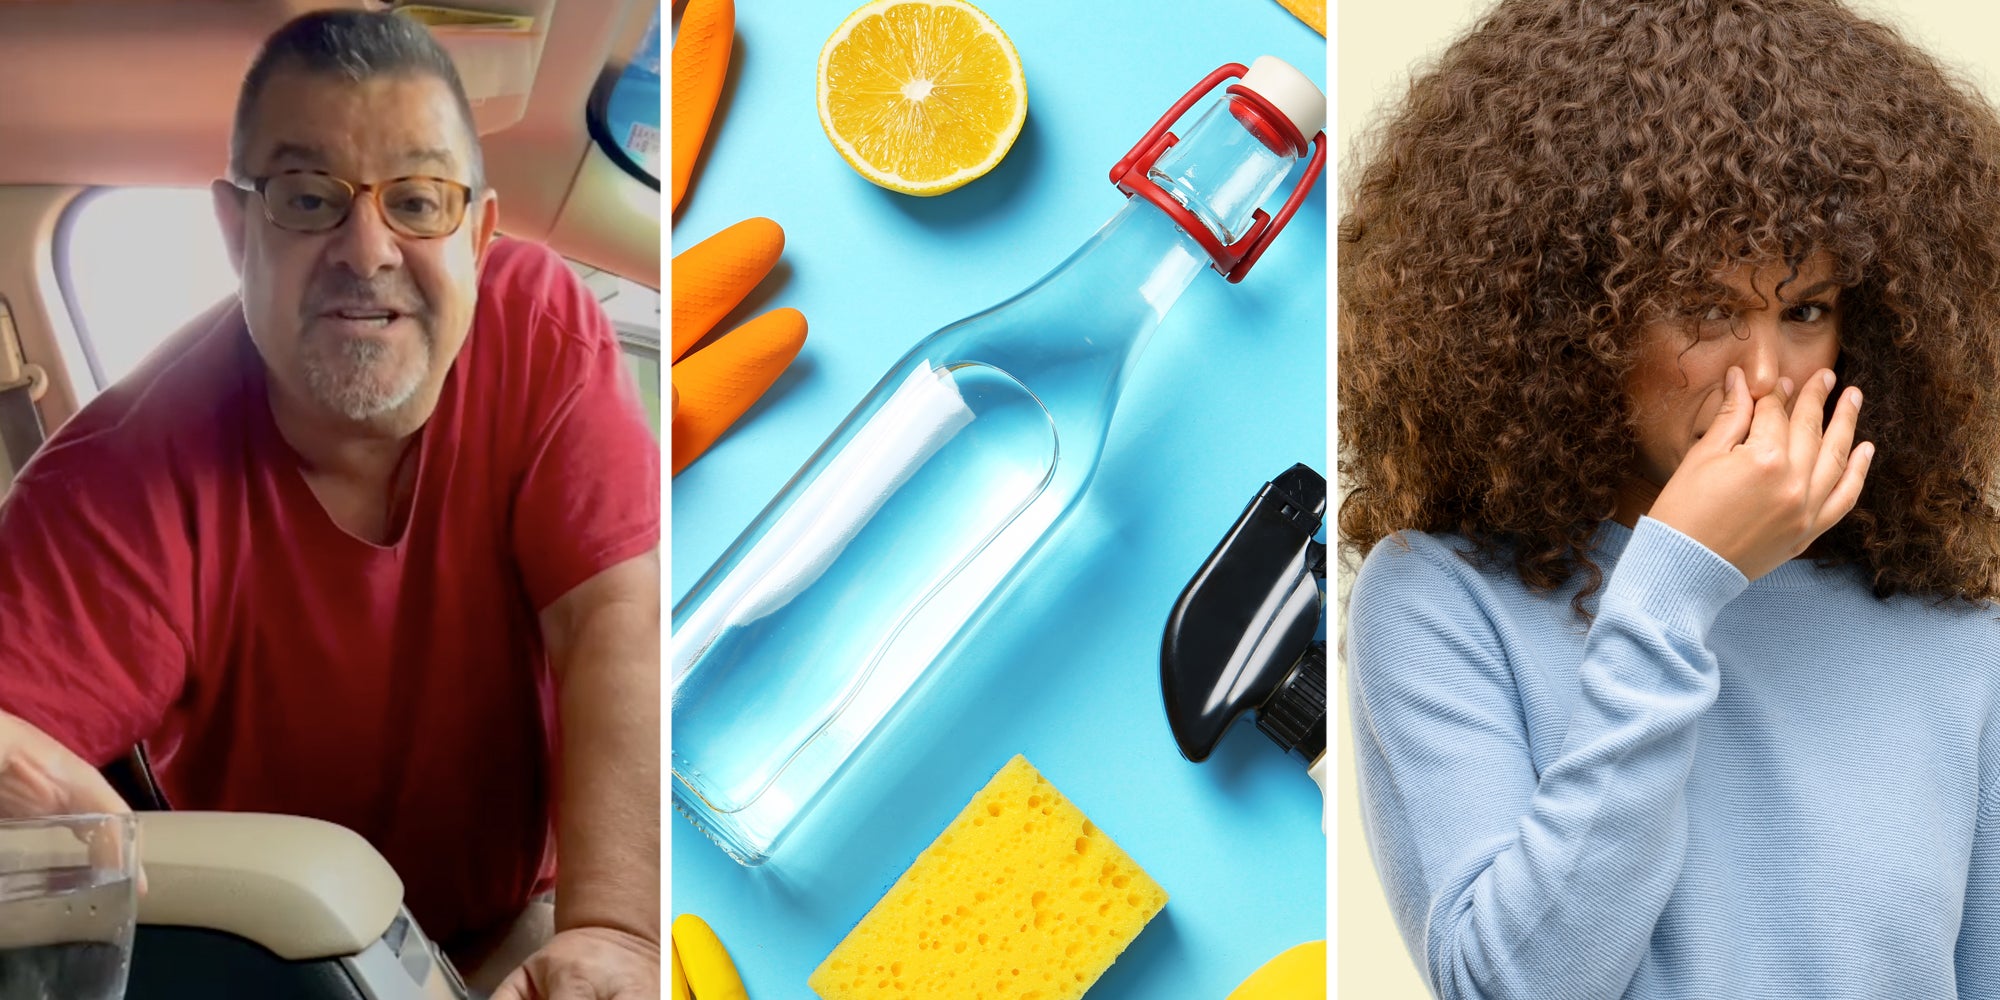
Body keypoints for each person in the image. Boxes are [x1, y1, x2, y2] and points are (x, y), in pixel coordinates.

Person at [1339, 0, 2000, 997]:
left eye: (1805, 310)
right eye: (1702, 309)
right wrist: (1674, 588)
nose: (1765, 375)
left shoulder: (1952, 628)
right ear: (1570, 319)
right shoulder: (1440, 603)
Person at [0, 9, 660, 997]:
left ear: (478, 234)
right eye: (309, 199)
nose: (366, 250)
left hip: (543, 912)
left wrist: (618, 932)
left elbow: (611, 611)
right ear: (236, 229)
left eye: (419, 200)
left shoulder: (536, 321)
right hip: (290, 958)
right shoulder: (116, 481)